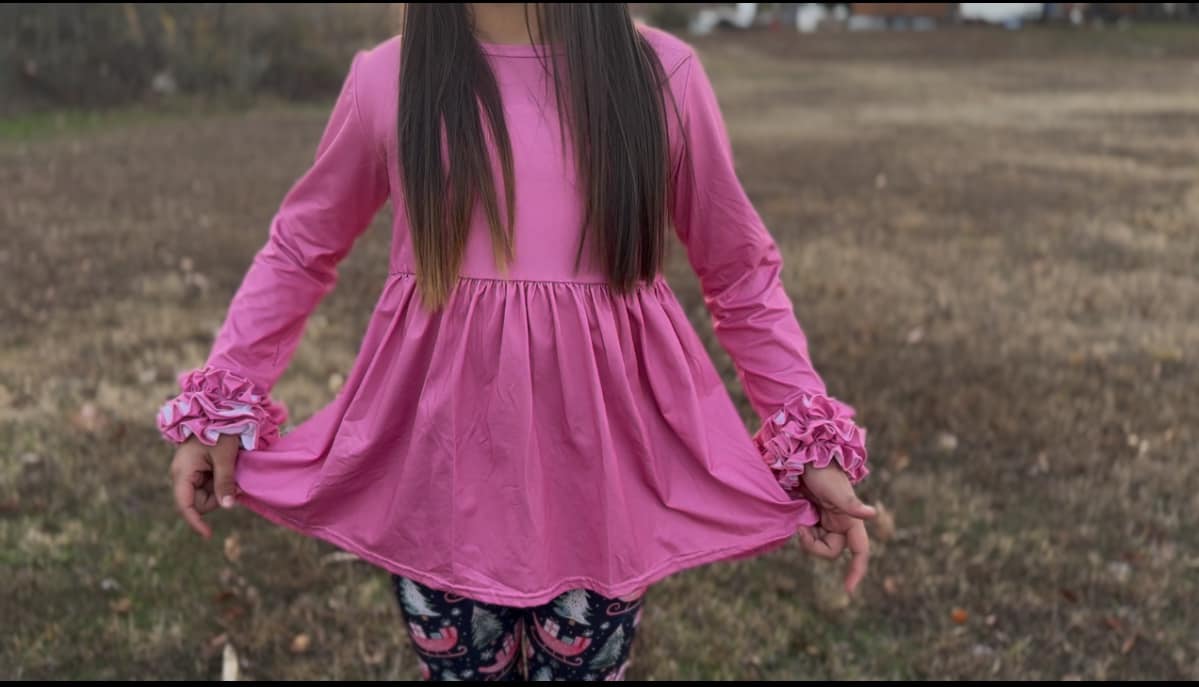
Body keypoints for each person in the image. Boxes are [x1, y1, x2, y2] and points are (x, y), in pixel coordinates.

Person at [158, 4, 874, 681]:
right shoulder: (388, 80)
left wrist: (805, 437)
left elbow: (739, 272)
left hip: (601, 487)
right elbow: (300, 248)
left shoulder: (660, 77)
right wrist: (225, 397)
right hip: (439, 482)